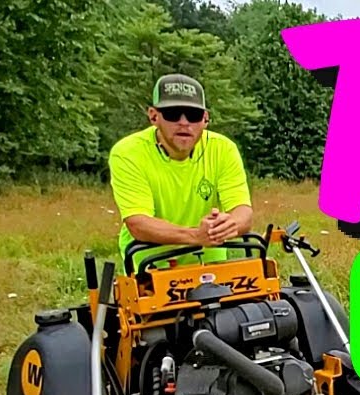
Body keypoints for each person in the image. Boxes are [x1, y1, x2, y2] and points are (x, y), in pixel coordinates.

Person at [108, 73, 253, 270]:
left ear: (205, 119)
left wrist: (229, 224)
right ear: (153, 116)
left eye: (193, 115)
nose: (184, 123)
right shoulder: (127, 153)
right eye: (173, 113)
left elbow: (243, 211)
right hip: (150, 265)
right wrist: (196, 236)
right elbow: (138, 223)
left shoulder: (224, 149)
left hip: (210, 264)